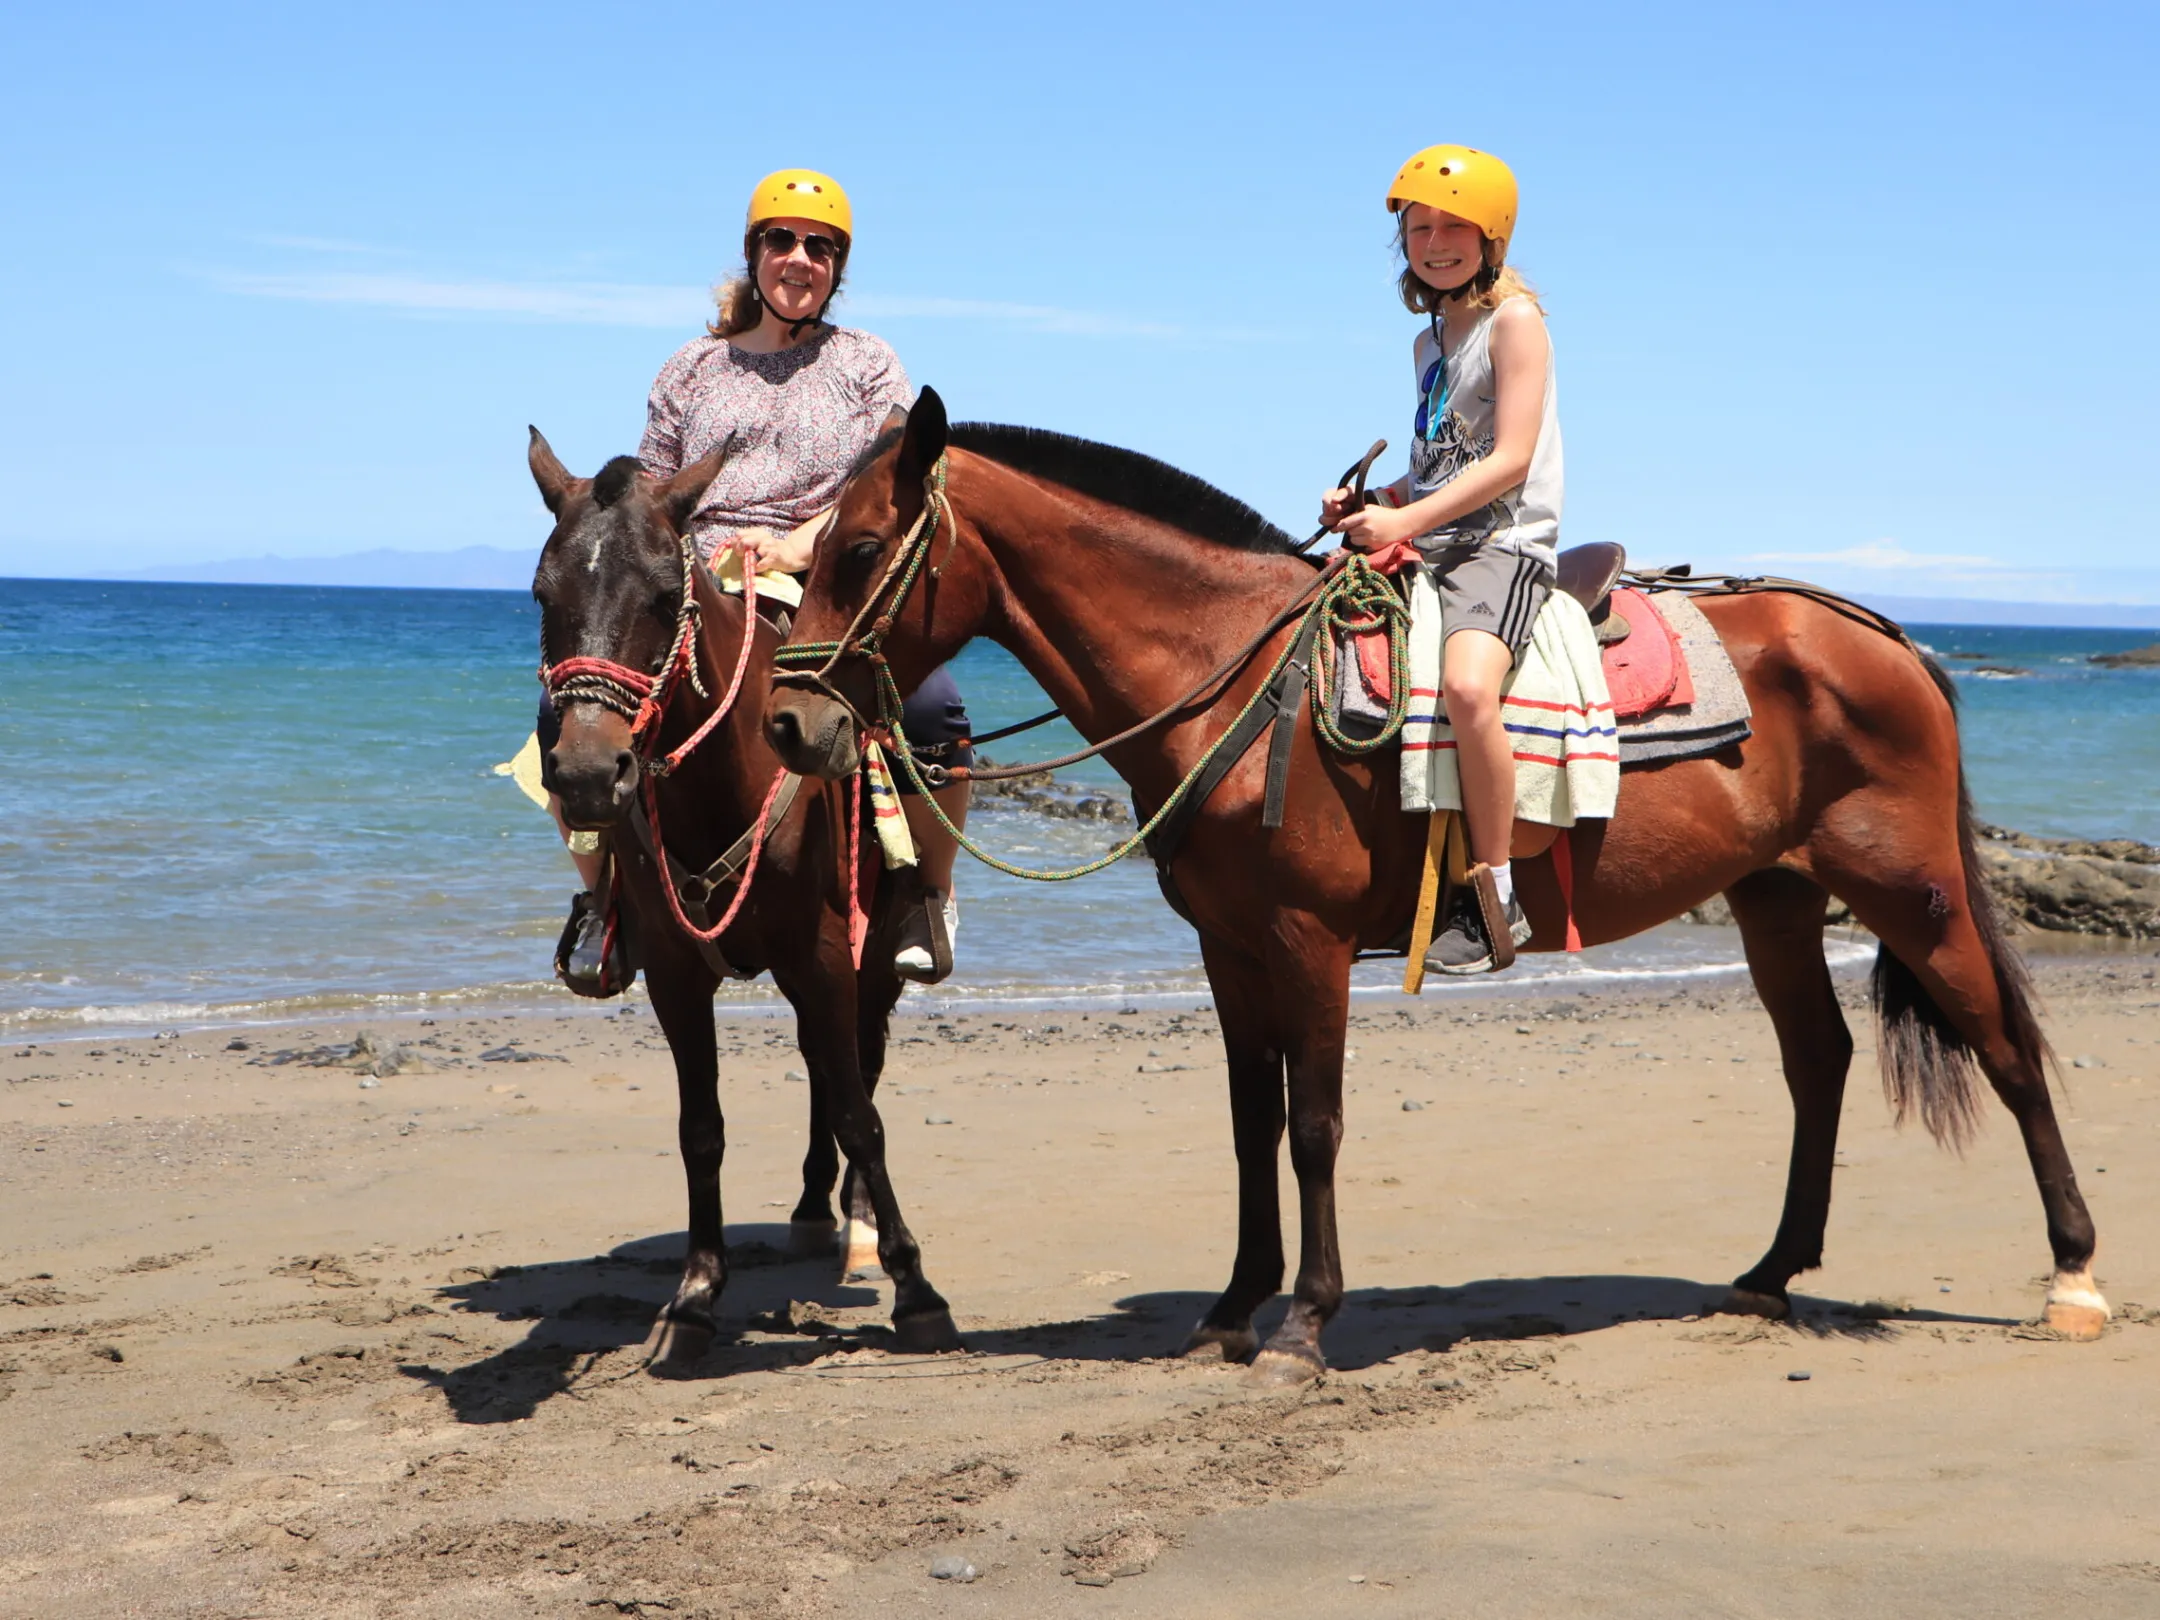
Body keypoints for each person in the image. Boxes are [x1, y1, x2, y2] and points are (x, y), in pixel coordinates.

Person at [552, 167, 971, 991]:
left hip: (825, 586)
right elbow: (652, 496)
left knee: (934, 704)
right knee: (560, 713)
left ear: (837, 269)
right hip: (697, 586)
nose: (799, 259)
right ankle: (603, 902)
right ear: (754, 253)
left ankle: (929, 894)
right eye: (781, 240)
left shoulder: (867, 365)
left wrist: (798, 547)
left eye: (821, 248)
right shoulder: (689, 369)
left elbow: (886, 485)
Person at [1322, 144, 1562, 974]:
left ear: (1492, 235)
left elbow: (1509, 460)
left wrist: (1407, 521)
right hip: (1436, 535)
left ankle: (1494, 892)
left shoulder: (1515, 321)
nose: (1435, 241)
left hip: (1503, 544)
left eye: (1455, 226)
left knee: (1466, 687)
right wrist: (1376, 503)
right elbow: (1438, 465)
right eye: (1420, 228)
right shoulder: (1430, 345)